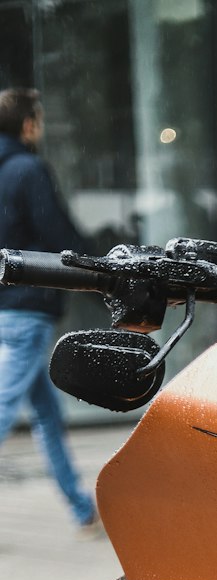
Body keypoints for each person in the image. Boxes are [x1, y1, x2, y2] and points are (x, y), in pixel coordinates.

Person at [0, 86, 96, 530]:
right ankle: (82, 509)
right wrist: (100, 268)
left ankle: (82, 509)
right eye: (38, 117)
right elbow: (58, 233)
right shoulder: (28, 169)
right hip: (27, 308)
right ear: (27, 124)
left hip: (7, 308)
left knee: (47, 415)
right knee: (2, 411)